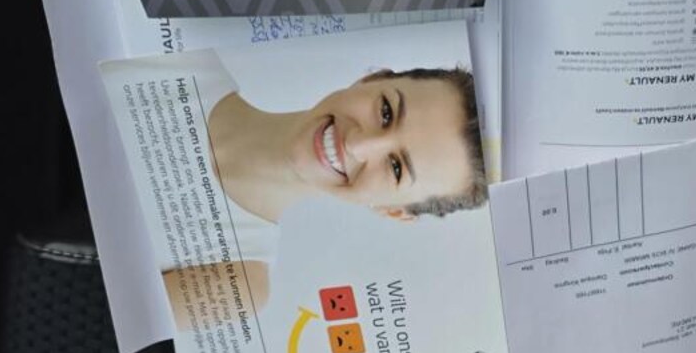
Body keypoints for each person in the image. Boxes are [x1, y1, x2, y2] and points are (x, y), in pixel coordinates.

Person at [163, 65, 486, 326]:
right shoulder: (178, 54)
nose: (357, 145)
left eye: (396, 168)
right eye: (386, 112)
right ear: (371, 79)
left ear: (393, 211)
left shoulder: (236, 283)